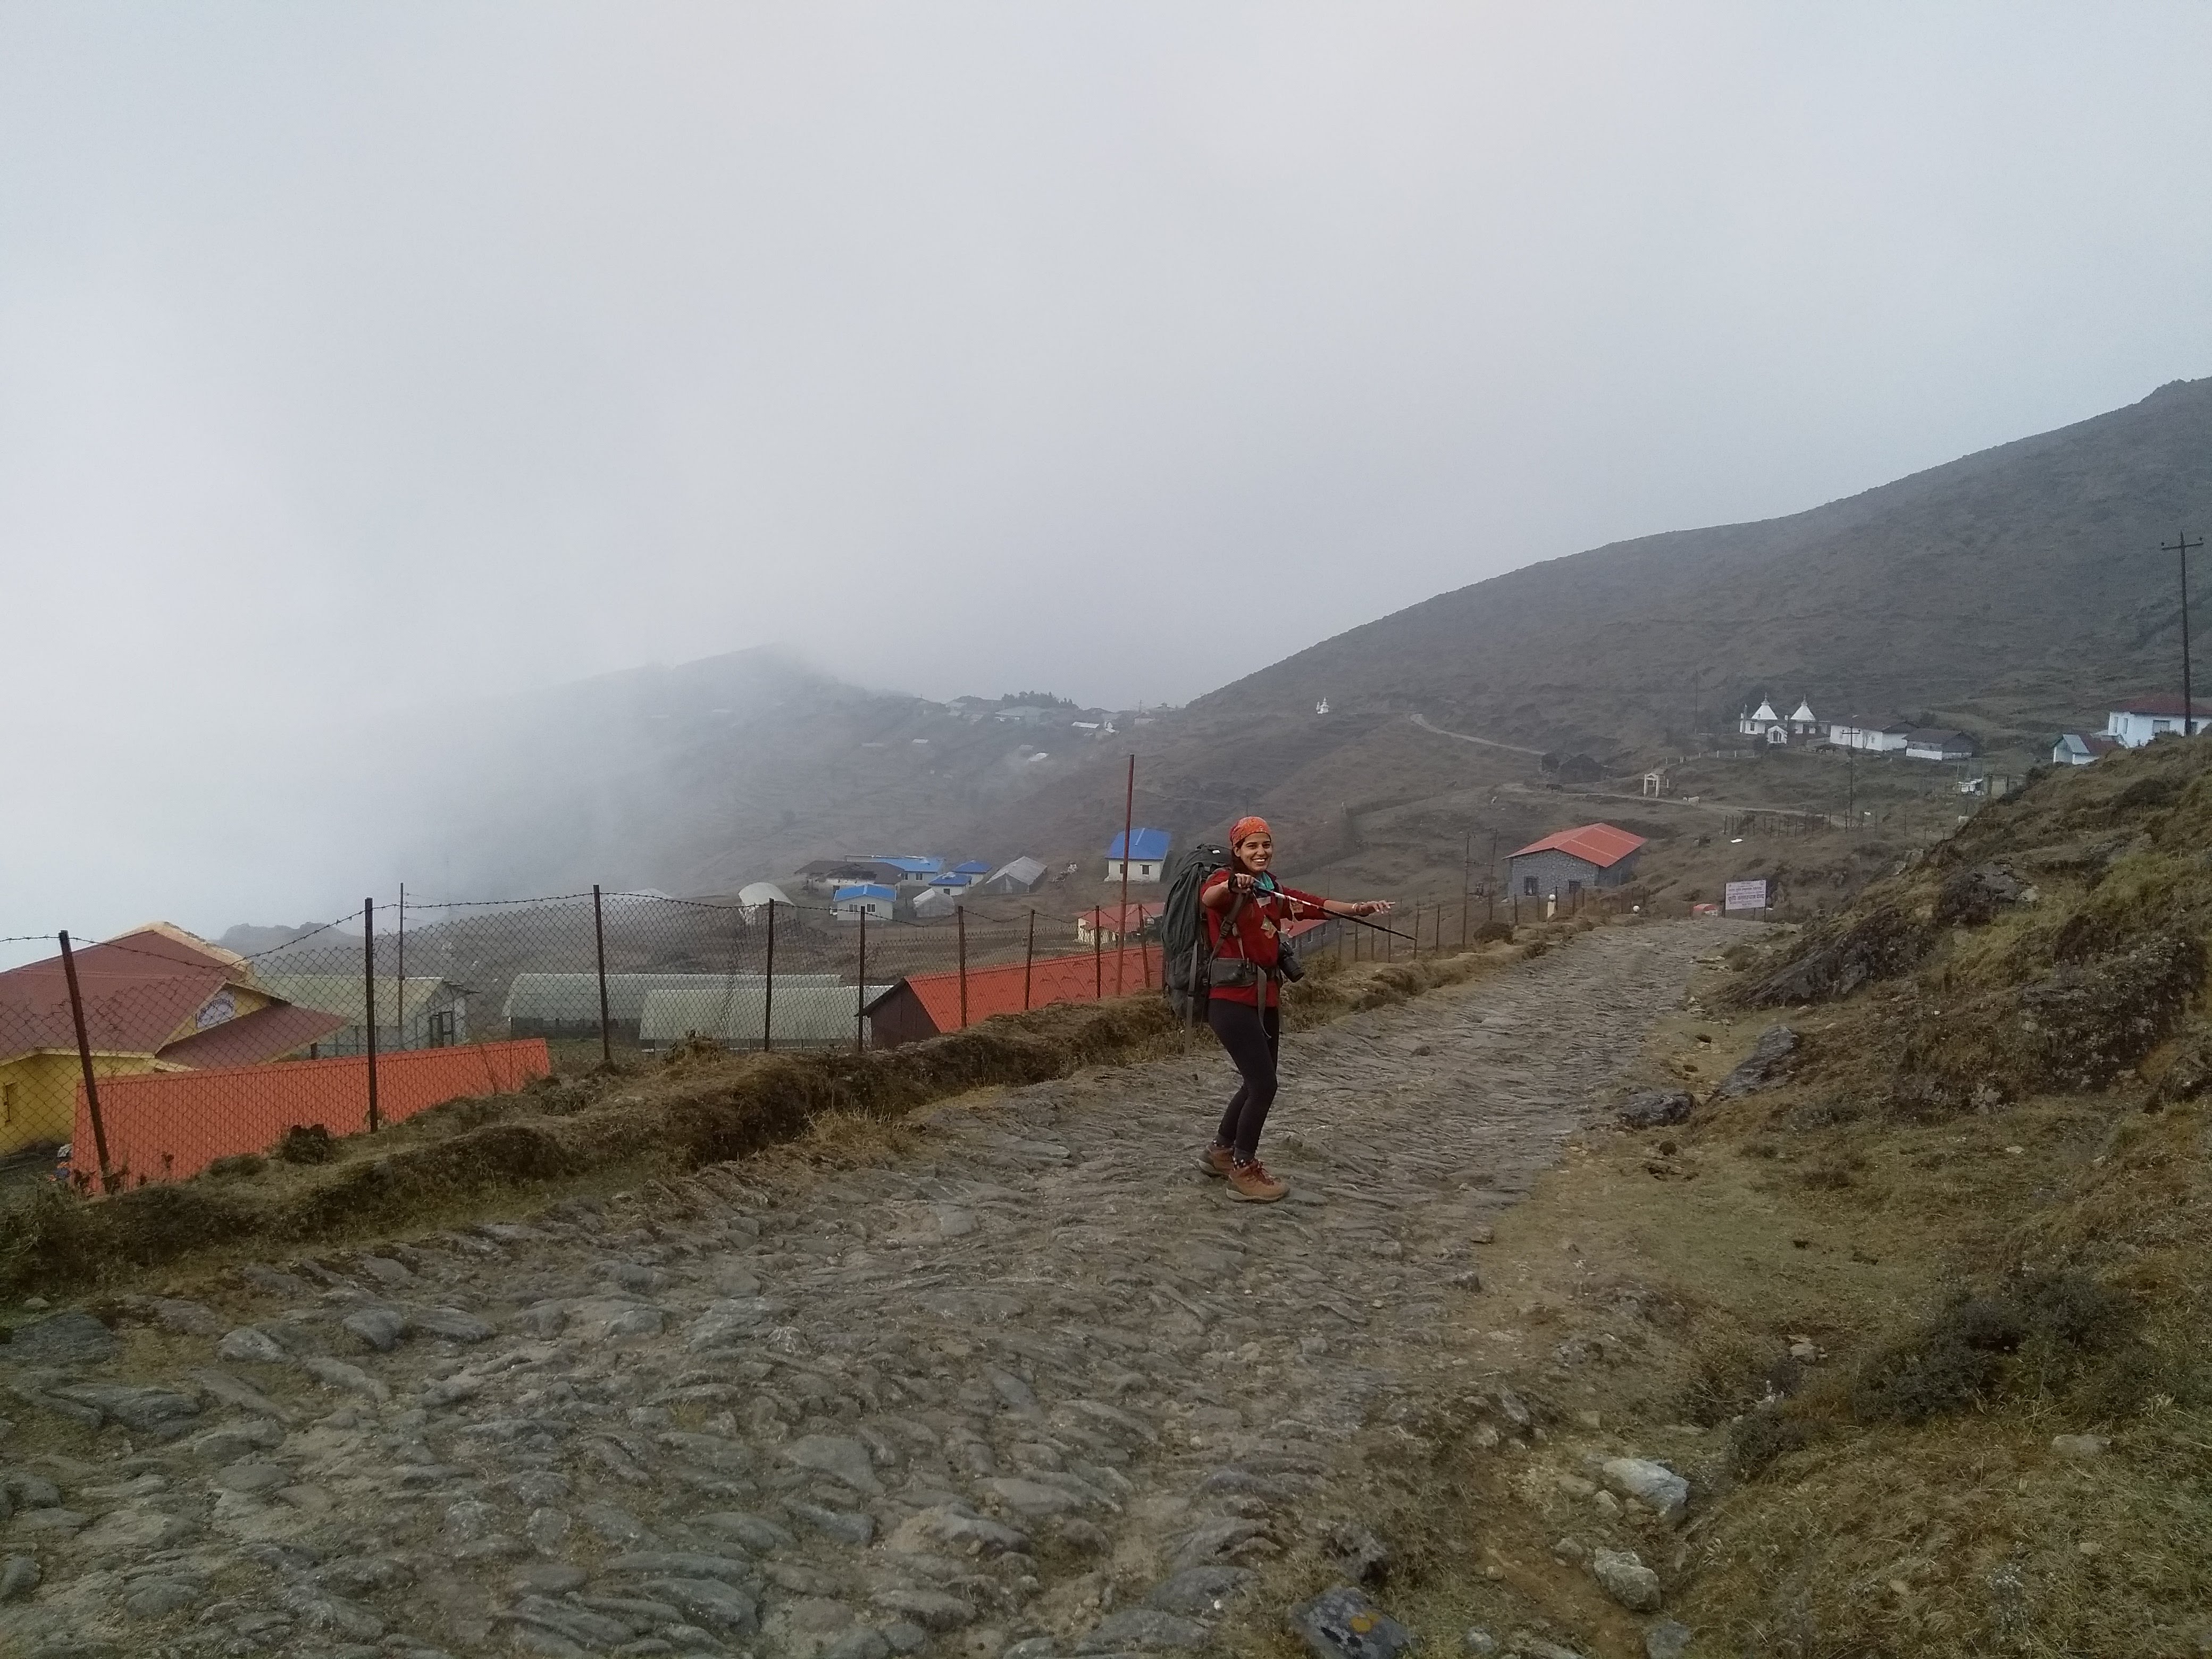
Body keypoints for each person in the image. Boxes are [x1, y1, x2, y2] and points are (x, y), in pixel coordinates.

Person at [1197, 816, 1393, 1201]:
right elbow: (1210, 899)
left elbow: (1314, 906)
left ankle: (1220, 1152)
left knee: (1257, 1081)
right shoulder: (1225, 882)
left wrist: (1360, 908)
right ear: (1237, 851)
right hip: (1231, 1001)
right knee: (1264, 1085)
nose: (1261, 852)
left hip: (1265, 998)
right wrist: (1234, 884)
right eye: (1252, 846)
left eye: (1266, 845)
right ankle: (1243, 1168)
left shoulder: (1271, 889)